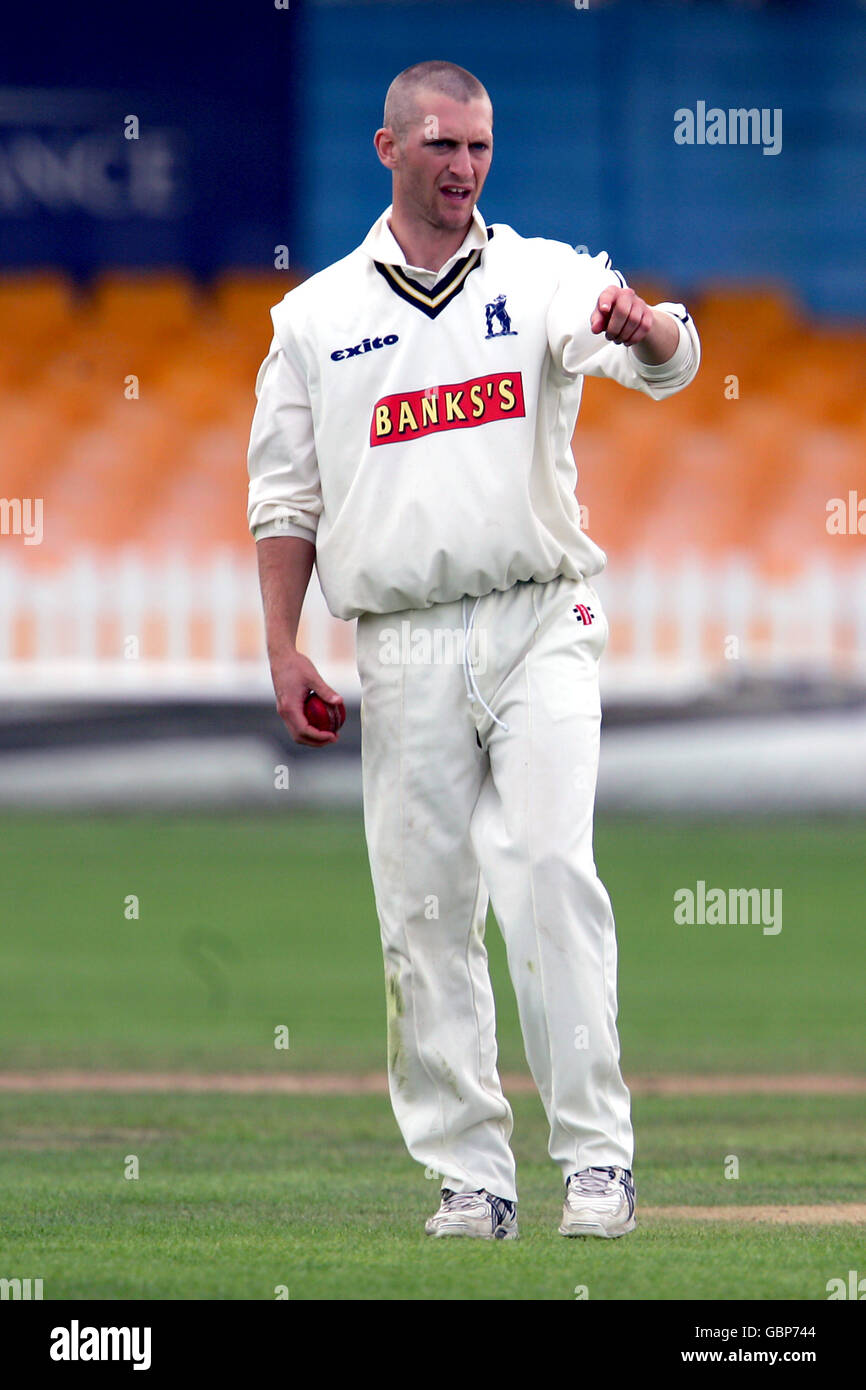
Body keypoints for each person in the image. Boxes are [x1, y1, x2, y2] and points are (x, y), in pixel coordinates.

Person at [247, 59, 700, 1241]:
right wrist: (283, 647)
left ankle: (596, 1160)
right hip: (398, 642)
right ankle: (470, 1176)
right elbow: (283, 502)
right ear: (389, 150)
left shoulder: (545, 275)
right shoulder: (314, 318)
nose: (462, 169)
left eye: (479, 149)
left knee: (548, 868)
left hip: (539, 615)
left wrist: (645, 328)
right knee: (425, 908)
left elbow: (662, 362)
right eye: (441, 146)